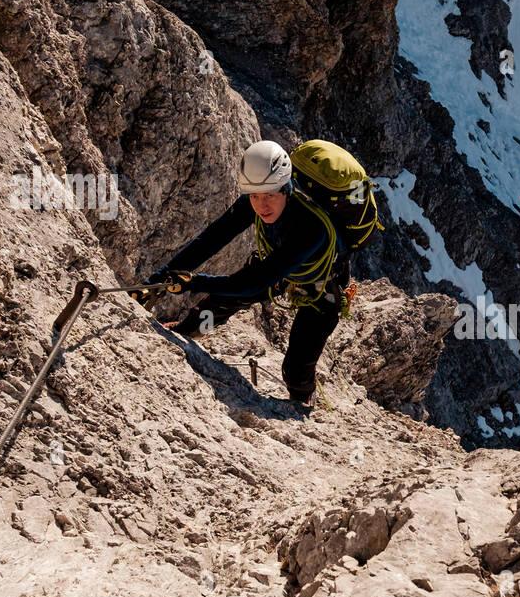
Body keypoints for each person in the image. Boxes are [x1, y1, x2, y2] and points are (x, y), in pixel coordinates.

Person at [139, 139, 378, 407]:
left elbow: (255, 283)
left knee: (297, 366)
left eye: (269, 197)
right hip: (280, 264)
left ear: (285, 189)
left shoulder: (312, 229)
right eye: (254, 197)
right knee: (215, 307)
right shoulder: (259, 195)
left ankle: (301, 404)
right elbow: (209, 242)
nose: (262, 206)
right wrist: (154, 282)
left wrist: (194, 282)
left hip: (322, 285)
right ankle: (189, 331)